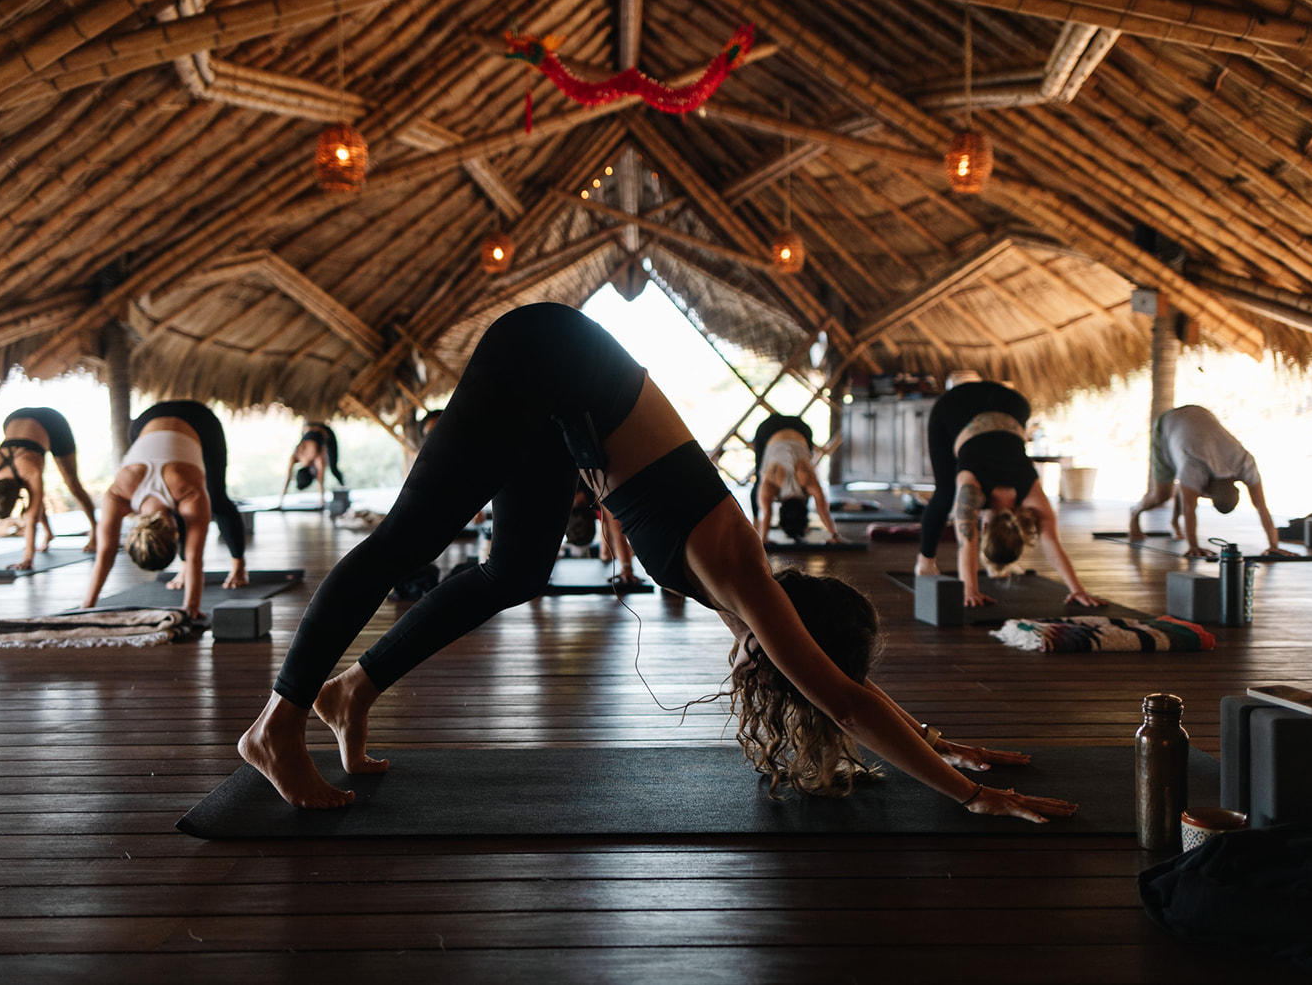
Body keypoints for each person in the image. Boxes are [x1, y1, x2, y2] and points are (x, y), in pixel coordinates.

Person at [240, 303, 1076, 825]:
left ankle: (354, 687)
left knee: (515, 570)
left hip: (566, 399)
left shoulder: (741, 594)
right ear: (787, 647)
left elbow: (847, 691)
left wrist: (941, 739)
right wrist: (972, 795)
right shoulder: (739, 574)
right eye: (795, 663)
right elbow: (848, 702)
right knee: (406, 541)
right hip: (542, 355)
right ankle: (276, 726)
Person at [913, 381, 1102, 609]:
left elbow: (1050, 541)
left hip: (1013, 402)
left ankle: (942, 562)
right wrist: (970, 591)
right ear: (983, 528)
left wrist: (1078, 590)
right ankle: (925, 563)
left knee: (946, 496)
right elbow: (967, 542)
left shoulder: (1030, 492)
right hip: (956, 403)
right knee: (944, 495)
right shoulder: (971, 485)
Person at [82, 401, 249, 619]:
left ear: (175, 533)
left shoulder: (188, 493)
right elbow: (105, 552)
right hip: (145, 419)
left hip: (199, 420)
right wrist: (87, 606)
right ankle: (183, 569)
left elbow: (194, 556)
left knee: (217, 500)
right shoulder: (117, 495)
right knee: (192, 511)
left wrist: (191, 606)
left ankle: (238, 565)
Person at [1129, 405, 1287, 558]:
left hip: (1199, 416)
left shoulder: (1244, 463)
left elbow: (1261, 505)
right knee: (1161, 496)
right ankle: (1135, 513)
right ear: (1207, 492)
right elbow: (1189, 507)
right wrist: (1193, 547)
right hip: (1168, 425)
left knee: (1187, 488)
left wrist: (1274, 546)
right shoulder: (1194, 466)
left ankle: (1175, 522)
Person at [0, 407, 97, 571]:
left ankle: (95, 530)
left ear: (17, 498)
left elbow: (31, 518)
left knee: (72, 483)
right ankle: (49, 534)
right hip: (14, 418)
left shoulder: (30, 471)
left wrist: (28, 559)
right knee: (36, 495)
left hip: (53, 423)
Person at [749, 414, 842, 544]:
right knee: (760, 479)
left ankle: (755, 525)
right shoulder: (773, 483)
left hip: (791, 428)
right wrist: (834, 535)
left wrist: (763, 538)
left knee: (759, 479)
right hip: (791, 428)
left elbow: (766, 513)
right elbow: (823, 510)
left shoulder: (806, 482)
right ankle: (755, 526)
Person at [279, 421, 344, 507]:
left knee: (333, 469)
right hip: (309, 429)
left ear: (311, 473)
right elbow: (288, 477)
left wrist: (322, 501)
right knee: (329, 466)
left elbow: (321, 480)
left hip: (325, 431)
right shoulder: (296, 455)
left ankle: (343, 485)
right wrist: (280, 501)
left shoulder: (316, 456)